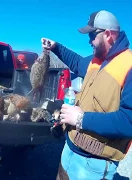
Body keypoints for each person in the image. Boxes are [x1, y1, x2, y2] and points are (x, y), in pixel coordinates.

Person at [42, 10, 132, 180]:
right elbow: (76, 62)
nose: (89, 41)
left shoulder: (129, 65)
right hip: (69, 149)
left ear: (108, 34)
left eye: (92, 35)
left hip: (94, 164)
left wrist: (81, 119)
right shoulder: (96, 60)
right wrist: (55, 47)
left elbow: (129, 121)